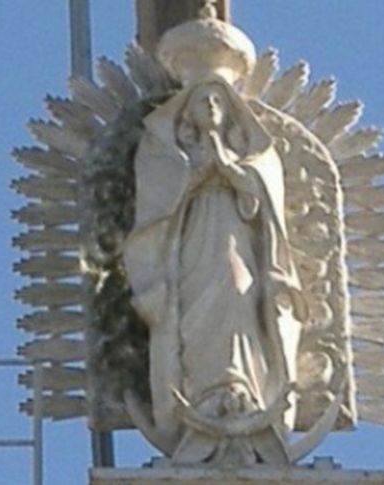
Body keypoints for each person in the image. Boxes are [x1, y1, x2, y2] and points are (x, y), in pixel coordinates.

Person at [123, 77, 306, 464]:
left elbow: (256, 207)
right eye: (202, 99)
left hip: (235, 241)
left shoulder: (250, 157)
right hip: (191, 246)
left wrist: (228, 169)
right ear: (187, 112)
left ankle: (242, 388)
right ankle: (204, 392)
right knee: (192, 317)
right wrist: (195, 176)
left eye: (218, 100)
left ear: (230, 111)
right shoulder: (169, 156)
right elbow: (158, 212)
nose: (210, 105)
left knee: (239, 294)